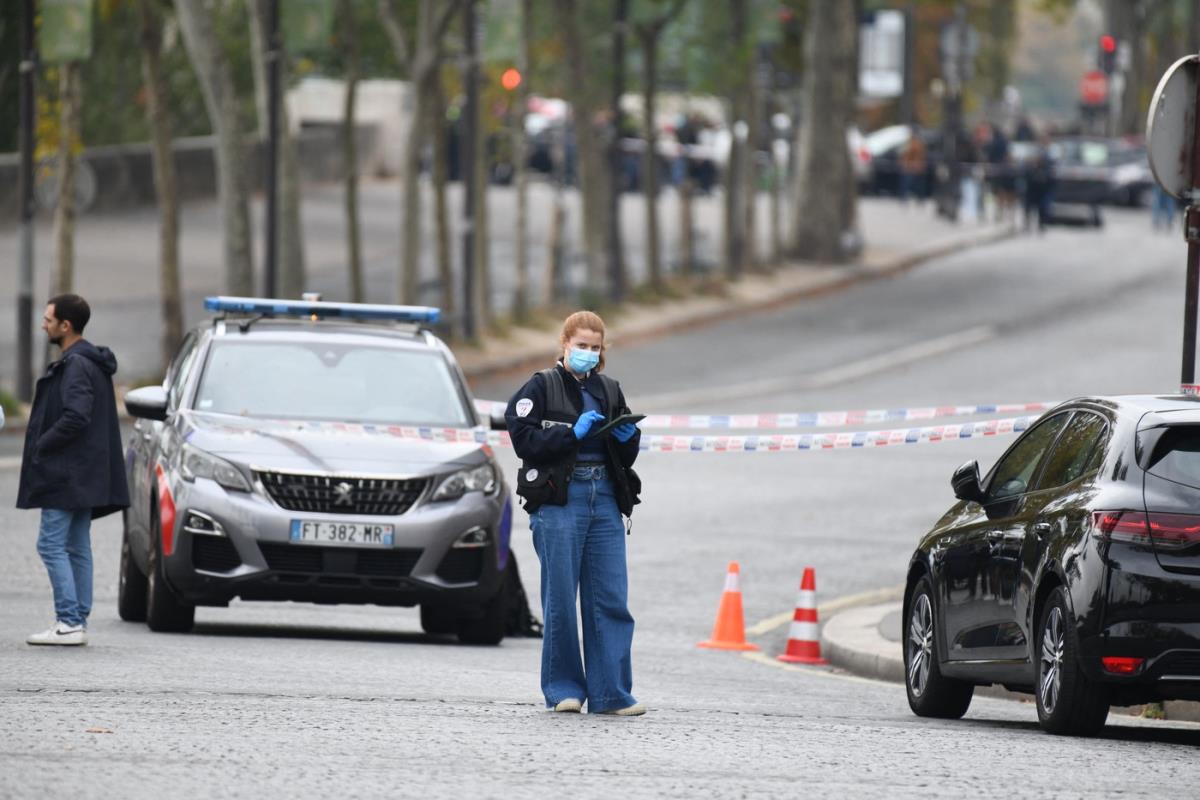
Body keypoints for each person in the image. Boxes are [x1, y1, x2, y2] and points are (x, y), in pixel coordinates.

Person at [505, 311, 644, 716]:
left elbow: (625, 453)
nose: (587, 353)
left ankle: (612, 694)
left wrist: (628, 437)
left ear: (603, 352)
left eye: (594, 347)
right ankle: (563, 690)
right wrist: (570, 434)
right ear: (564, 344)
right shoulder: (541, 386)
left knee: (610, 598)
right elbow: (523, 439)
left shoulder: (609, 389)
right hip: (560, 499)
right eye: (580, 345)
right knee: (561, 599)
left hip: (603, 497)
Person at [17, 294, 129, 646]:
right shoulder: (87, 362)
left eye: (49, 319)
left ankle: (68, 620)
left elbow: (76, 415)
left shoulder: (76, 365)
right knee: (77, 546)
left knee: (51, 545)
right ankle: (77, 619)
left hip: (66, 473)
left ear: (66, 326)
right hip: (82, 473)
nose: (43, 324)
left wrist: (42, 444)